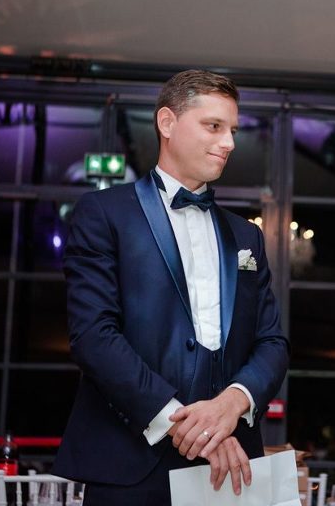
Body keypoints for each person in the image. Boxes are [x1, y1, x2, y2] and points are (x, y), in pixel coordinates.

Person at [52, 70, 290, 505]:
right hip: (129, 464)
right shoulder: (104, 213)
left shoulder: (247, 236)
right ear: (167, 122)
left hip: (230, 470)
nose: (229, 143)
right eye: (213, 126)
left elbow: (271, 342)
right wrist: (187, 425)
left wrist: (232, 403)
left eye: (233, 130)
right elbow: (94, 336)